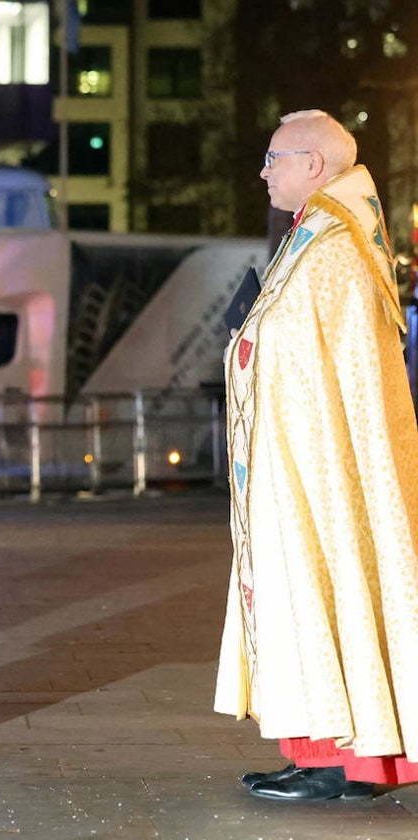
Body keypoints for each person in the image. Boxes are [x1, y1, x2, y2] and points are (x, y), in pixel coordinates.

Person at [216, 109, 418, 801]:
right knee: (310, 599)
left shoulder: (332, 246)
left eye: (274, 159)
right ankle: (338, 759)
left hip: (317, 470)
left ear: (313, 165)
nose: (263, 171)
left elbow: (319, 359)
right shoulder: (319, 235)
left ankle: (337, 760)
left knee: (319, 594)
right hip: (297, 460)